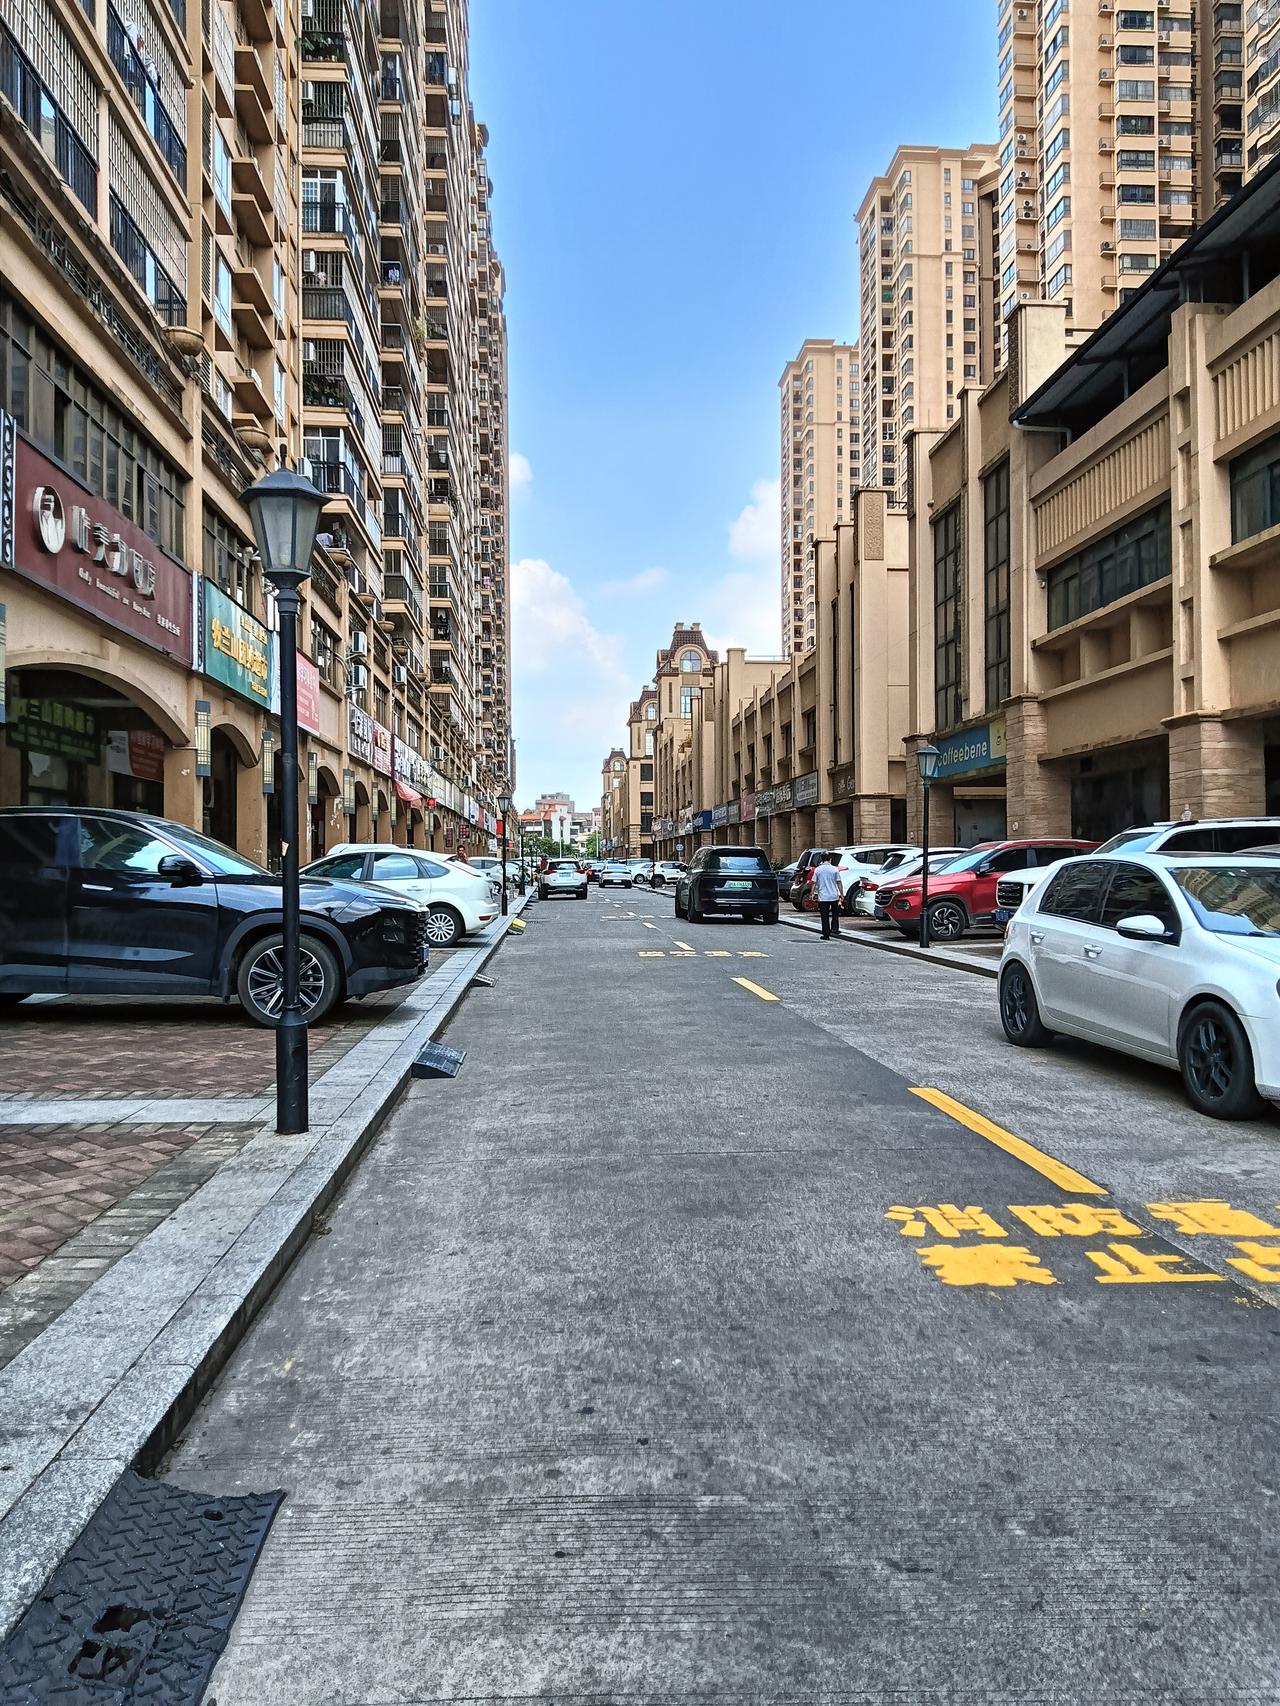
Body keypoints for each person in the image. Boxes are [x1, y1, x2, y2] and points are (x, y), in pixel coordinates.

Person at [813, 850, 843, 940]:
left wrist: (812, 893)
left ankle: (826, 934)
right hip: (834, 895)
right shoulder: (834, 869)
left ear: (821, 859)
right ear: (830, 859)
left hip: (823, 897)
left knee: (824, 916)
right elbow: (839, 882)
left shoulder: (818, 870)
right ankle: (835, 928)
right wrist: (841, 894)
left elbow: (814, 883)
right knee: (835, 913)